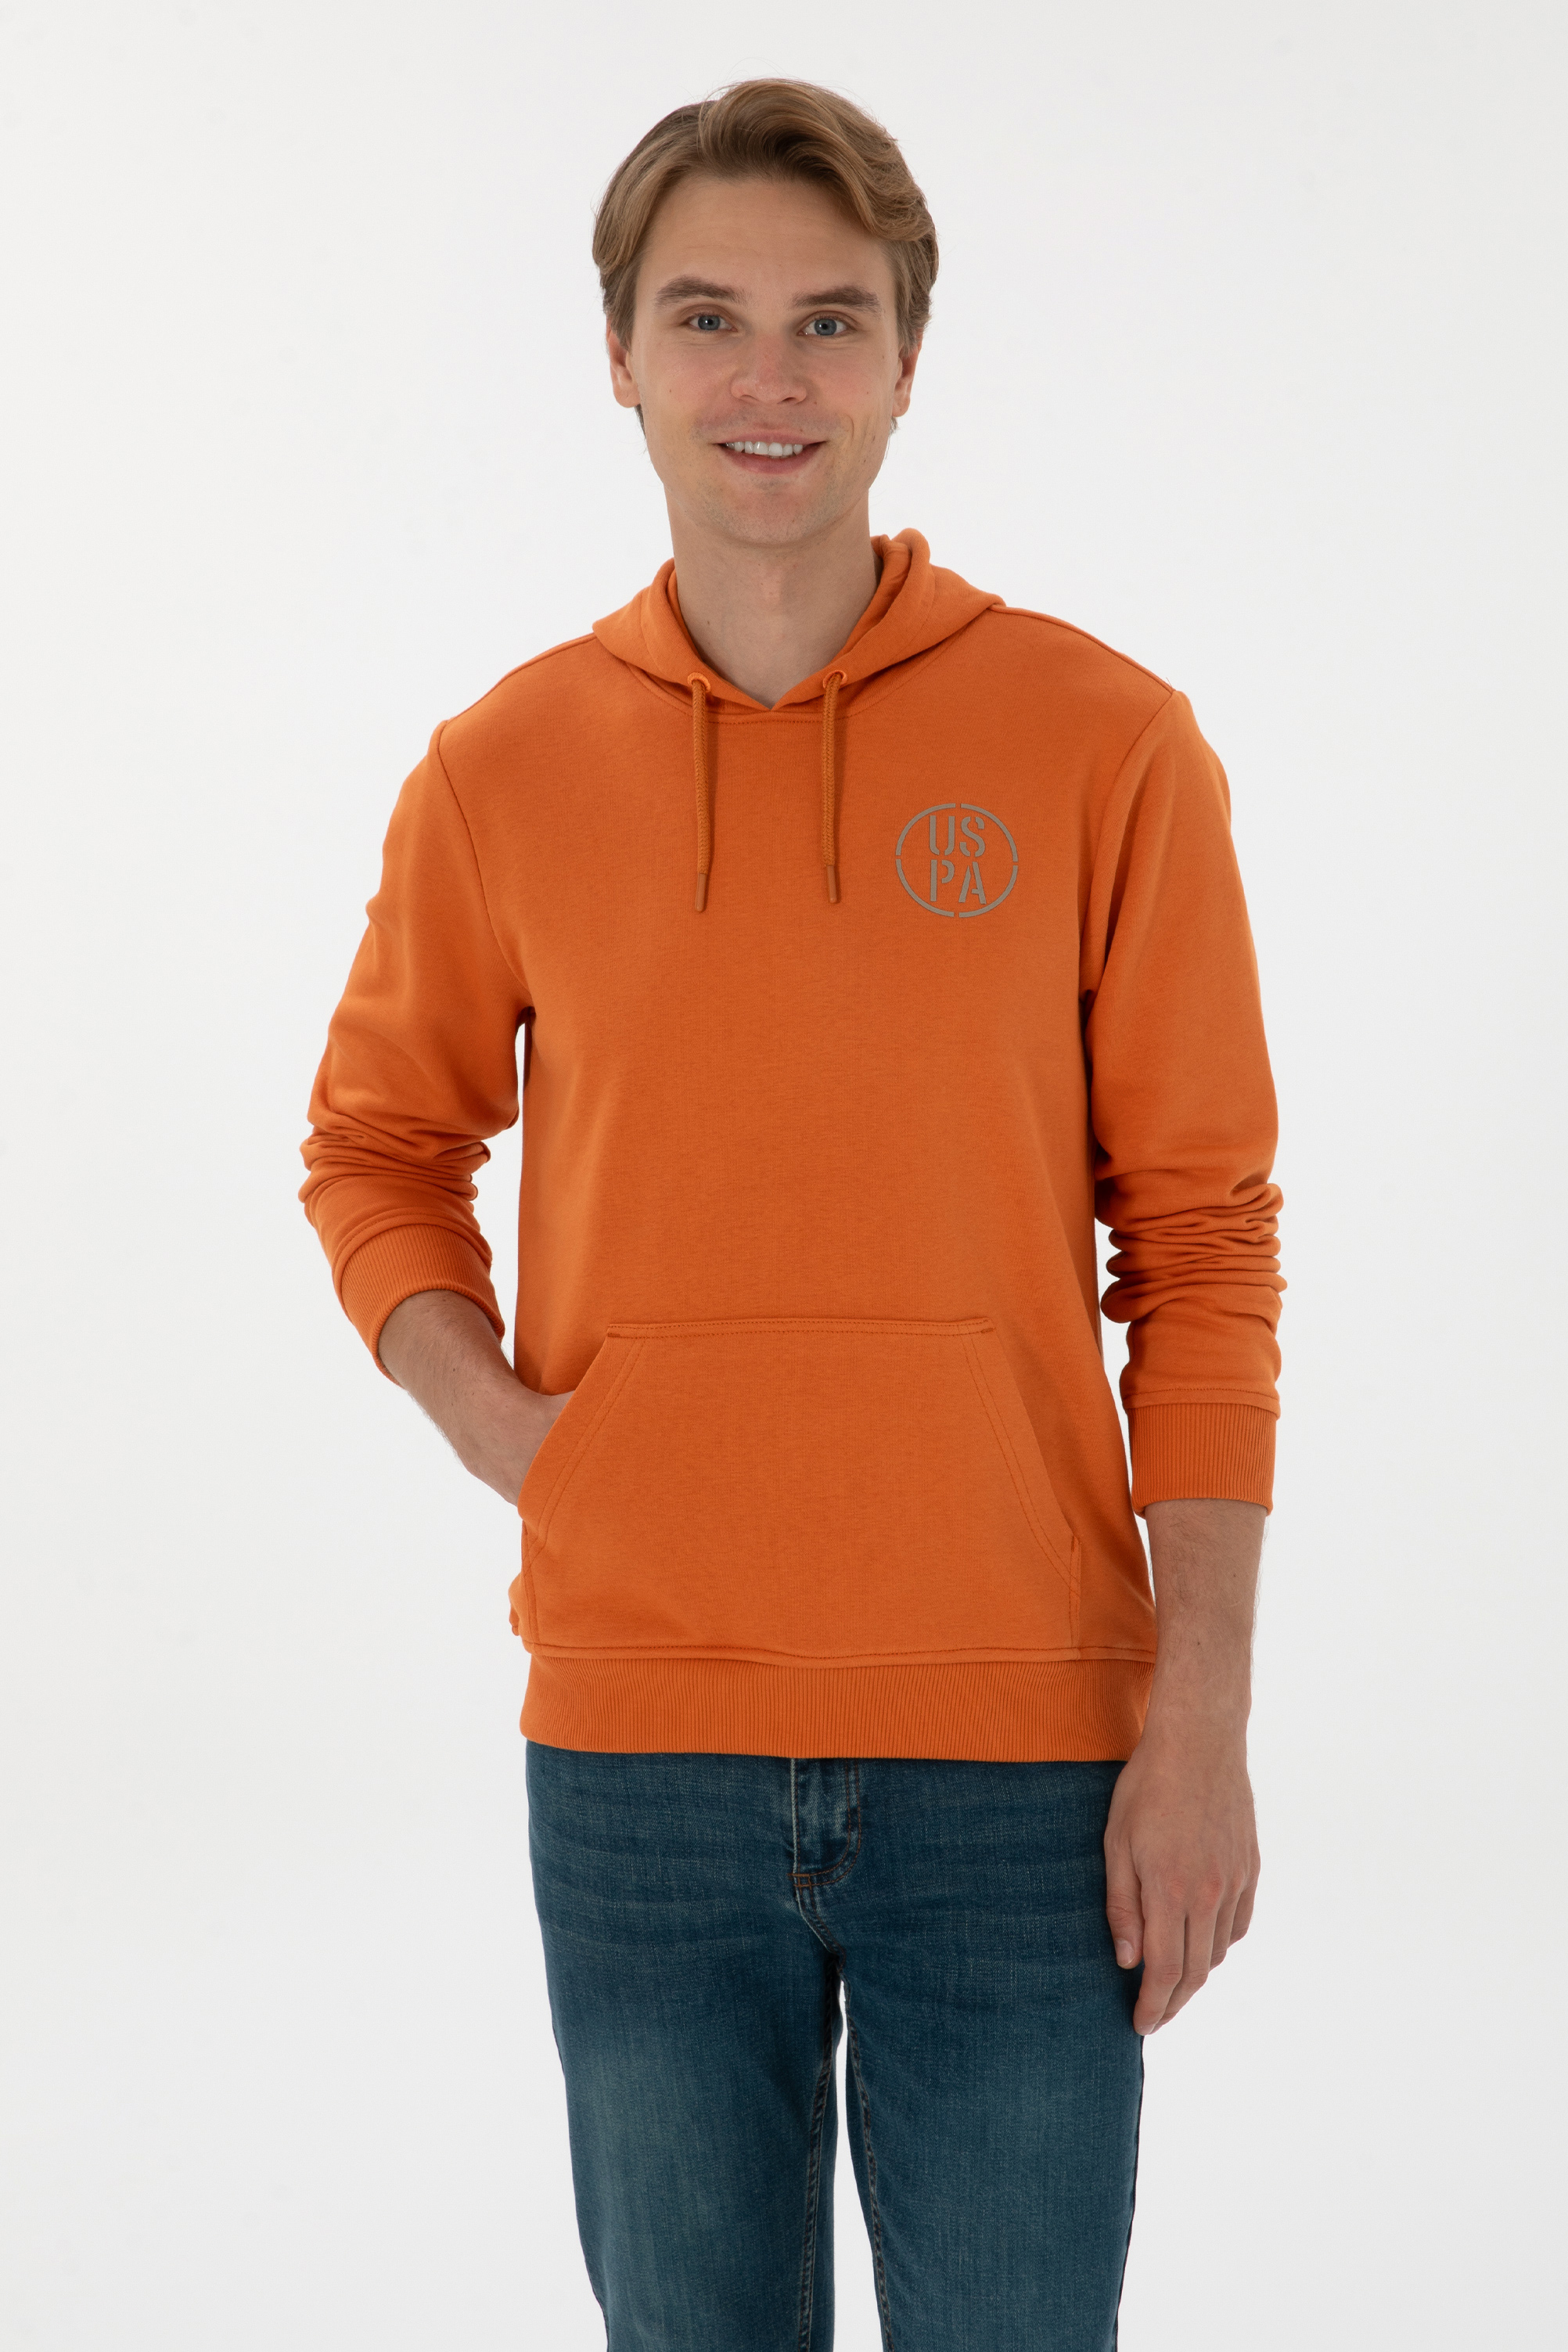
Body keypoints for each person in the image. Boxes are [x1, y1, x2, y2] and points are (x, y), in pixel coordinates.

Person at [300, 77, 1283, 2352]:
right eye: (708, 317)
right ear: (619, 358)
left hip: (1025, 1754)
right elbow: (373, 1151)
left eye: (830, 321)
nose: (771, 378)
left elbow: (1204, 1242)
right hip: (638, 1753)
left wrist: (1203, 1715)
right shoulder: (501, 769)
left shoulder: (1105, 745)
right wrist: (520, 1436)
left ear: (908, 361)